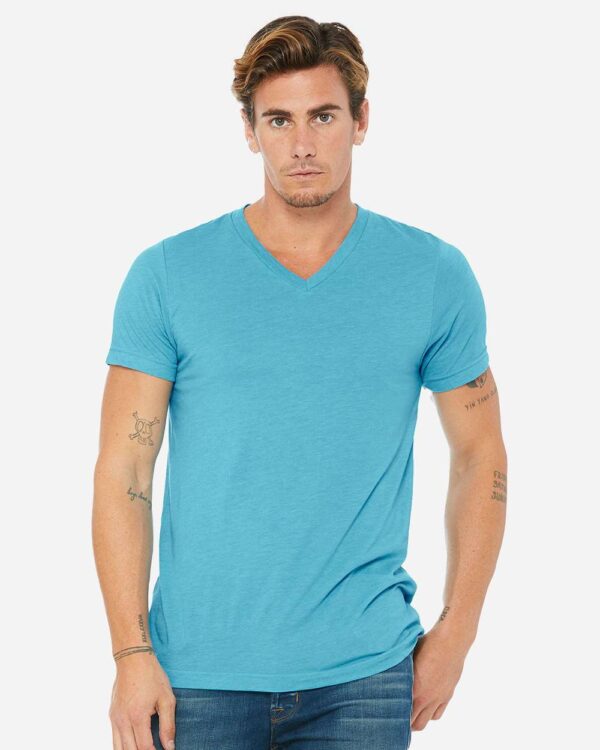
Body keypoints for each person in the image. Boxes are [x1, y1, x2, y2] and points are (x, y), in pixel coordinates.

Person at [92, 14, 507, 750]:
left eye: (324, 116)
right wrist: (130, 654)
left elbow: (481, 457)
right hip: (195, 676)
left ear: (361, 121)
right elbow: (125, 469)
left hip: (364, 675)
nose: (303, 145)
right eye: (279, 120)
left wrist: (458, 632)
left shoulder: (433, 276)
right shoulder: (168, 276)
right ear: (250, 131)